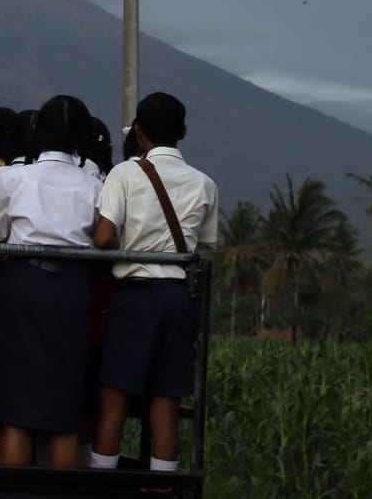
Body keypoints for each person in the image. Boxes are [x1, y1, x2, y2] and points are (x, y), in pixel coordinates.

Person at [90, 92, 218, 473]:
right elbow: (205, 246)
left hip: (135, 297)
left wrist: (122, 245)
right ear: (183, 131)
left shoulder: (125, 174)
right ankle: (164, 486)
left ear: (139, 131)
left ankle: (102, 485)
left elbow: (102, 238)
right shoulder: (204, 184)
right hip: (179, 298)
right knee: (166, 402)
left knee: (114, 400)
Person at [0, 95, 102, 468]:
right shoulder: (94, 185)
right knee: (64, 410)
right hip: (71, 288)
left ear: (37, 130)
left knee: (16, 408)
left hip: (22, 284)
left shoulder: (16, 177)